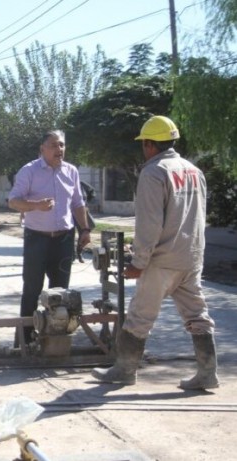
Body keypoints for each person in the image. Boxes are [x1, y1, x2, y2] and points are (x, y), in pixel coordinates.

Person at [92, 116, 218, 390]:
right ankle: (207, 373)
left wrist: (138, 262)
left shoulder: (154, 172)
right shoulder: (194, 170)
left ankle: (124, 370)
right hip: (191, 257)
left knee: (139, 317)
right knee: (197, 315)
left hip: (162, 261)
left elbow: (149, 223)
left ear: (149, 144)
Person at [8, 130, 91, 345]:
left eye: (62, 145)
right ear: (42, 149)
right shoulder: (30, 171)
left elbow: (78, 203)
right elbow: (13, 201)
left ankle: (54, 341)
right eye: (54, 145)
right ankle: (24, 341)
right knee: (32, 290)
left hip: (63, 240)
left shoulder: (71, 171)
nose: (59, 149)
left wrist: (85, 230)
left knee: (60, 294)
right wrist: (36, 206)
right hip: (37, 239)